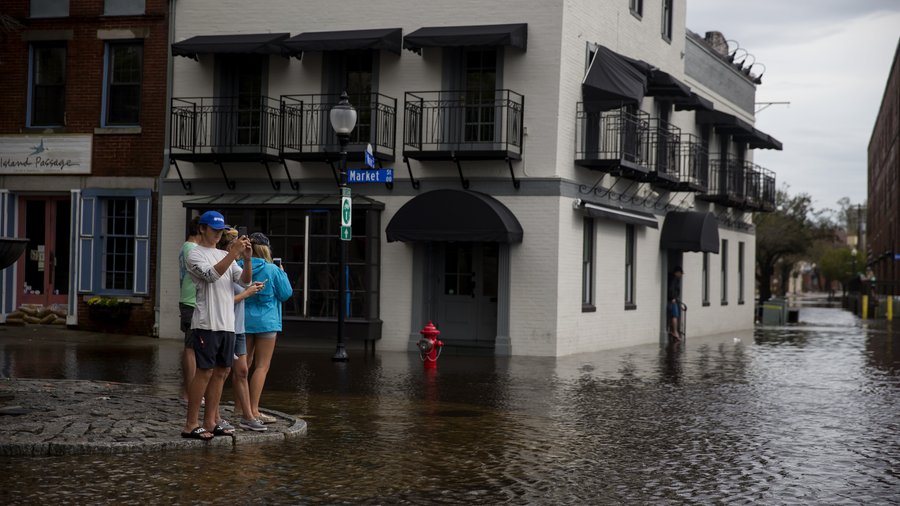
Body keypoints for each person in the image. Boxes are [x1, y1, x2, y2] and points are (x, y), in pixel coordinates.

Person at [180, 211, 252, 440]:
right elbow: (211, 275)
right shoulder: (194, 254)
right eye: (214, 230)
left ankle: (211, 420)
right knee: (205, 371)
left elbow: (244, 281)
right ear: (202, 229)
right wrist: (233, 253)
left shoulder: (224, 253)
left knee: (222, 371)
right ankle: (191, 424)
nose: (218, 234)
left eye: (221, 230)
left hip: (227, 323)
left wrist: (247, 258)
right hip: (206, 322)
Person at [217, 228, 267, 432]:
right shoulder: (220, 265)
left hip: (238, 327)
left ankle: (247, 416)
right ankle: (215, 416)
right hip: (224, 325)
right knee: (222, 371)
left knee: (243, 370)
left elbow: (245, 281)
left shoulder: (235, 266)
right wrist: (247, 293)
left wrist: (247, 259)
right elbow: (223, 300)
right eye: (237, 244)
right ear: (230, 246)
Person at [242, 232, 292, 424]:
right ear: (266, 249)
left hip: (244, 321)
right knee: (261, 367)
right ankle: (254, 409)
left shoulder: (239, 265)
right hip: (267, 322)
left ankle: (241, 408)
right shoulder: (272, 269)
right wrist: (283, 272)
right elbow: (286, 293)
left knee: (243, 367)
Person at [178, 216, 201, 402]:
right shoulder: (191, 249)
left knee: (191, 346)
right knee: (191, 347)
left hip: (189, 300)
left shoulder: (186, 247)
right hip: (191, 301)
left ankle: (190, 392)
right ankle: (190, 393)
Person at [667, 266, 683, 342]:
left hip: (673, 300)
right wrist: (673, 297)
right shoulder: (674, 279)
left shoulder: (674, 278)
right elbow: (671, 288)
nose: (681, 275)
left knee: (674, 315)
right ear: (677, 272)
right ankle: (675, 332)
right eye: (680, 273)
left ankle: (673, 330)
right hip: (672, 300)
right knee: (675, 315)